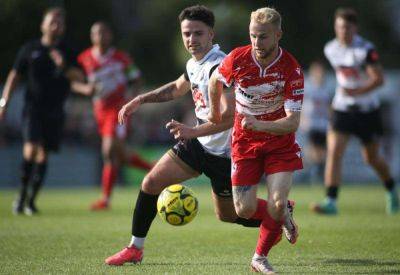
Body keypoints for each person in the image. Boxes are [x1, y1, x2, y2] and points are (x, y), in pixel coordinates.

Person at [104, 5, 297, 266]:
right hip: (198, 144)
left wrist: (191, 131)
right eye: (186, 34)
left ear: (211, 35)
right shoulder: (195, 63)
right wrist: (140, 99)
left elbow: (230, 118)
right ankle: (134, 249)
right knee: (150, 183)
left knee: (230, 215)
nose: (191, 39)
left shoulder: (221, 66)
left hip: (227, 154)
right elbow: (176, 88)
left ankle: (279, 213)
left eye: (198, 33)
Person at [208, 7, 303, 274]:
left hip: (279, 143)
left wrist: (260, 124)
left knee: (275, 201)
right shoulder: (238, 58)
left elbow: (293, 122)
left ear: (278, 35)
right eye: (252, 36)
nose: (256, 43)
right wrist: (216, 114)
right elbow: (215, 82)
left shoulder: (291, 69)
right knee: (244, 209)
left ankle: (259, 258)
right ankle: (284, 213)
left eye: (263, 37)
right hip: (244, 142)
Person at [310, 8, 399, 215]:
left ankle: (391, 188)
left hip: (367, 110)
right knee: (334, 151)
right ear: (335, 27)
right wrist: (346, 93)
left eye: (348, 28)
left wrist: (356, 91)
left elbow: (379, 79)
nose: (344, 32)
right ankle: (331, 201)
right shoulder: (330, 49)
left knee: (371, 158)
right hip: (342, 108)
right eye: (340, 27)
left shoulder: (365, 50)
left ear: (355, 28)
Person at [0, 7, 87, 215]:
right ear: (43, 25)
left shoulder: (68, 51)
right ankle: (21, 196)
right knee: (30, 149)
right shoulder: (30, 49)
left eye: (60, 23)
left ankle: (31, 201)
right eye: (52, 22)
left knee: (43, 155)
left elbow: (80, 79)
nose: (56, 26)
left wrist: (64, 66)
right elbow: (14, 76)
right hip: (33, 109)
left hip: (56, 110)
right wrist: (4, 103)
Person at [74, 22, 153, 211]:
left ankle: (105, 199)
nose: (100, 36)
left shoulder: (121, 58)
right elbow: (73, 82)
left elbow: (136, 78)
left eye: (103, 32)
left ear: (110, 35)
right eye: (96, 33)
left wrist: (133, 100)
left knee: (108, 149)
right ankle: (153, 169)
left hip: (117, 110)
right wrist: (85, 89)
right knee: (119, 155)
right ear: (91, 36)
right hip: (99, 110)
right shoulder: (84, 58)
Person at [301, 60, 333, 183]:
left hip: (323, 124)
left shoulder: (326, 88)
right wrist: (302, 118)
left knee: (322, 152)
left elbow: (329, 105)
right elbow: (301, 103)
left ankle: (316, 170)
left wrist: (331, 119)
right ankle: (315, 171)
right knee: (314, 150)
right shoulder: (308, 86)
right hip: (312, 123)